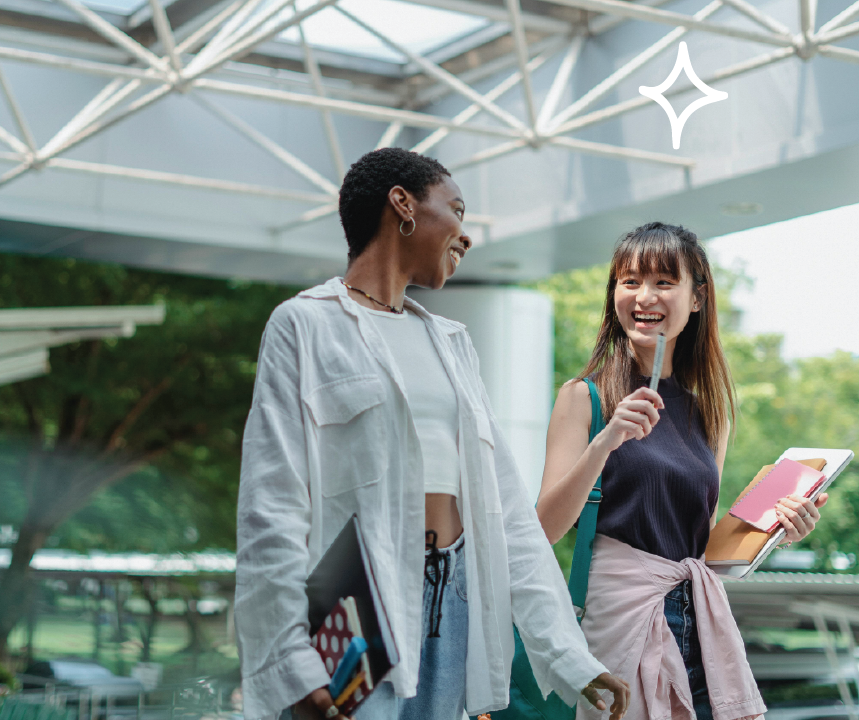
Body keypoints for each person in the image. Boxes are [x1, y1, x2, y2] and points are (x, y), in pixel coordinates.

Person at [234, 148, 630, 720]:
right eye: (457, 211)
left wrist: (572, 658)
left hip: (458, 599)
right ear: (403, 205)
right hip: (357, 608)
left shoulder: (452, 343)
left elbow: (507, 515)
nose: (466, 237)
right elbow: (270, 511)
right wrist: (291, 663)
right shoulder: (304, 325)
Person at [536, 222, 828, 720]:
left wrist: (779, 529)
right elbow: (542, 528)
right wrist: (606, 441)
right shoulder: (583, 397)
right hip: (620, 619)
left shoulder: (709, 412)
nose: (644, 296)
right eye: (629, 281)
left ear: (697, 298)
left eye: (664, 282)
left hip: (701, 617)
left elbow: (702, 544)